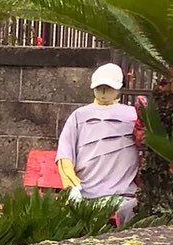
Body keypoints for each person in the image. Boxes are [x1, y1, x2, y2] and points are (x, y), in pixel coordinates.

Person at [55, 61, 141, 224]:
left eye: (108, 87)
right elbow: (64, 155)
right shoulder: (78, 116)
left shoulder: (133, 116)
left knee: (131, 209)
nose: (103, 92)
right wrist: (72, 186)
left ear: (119, 89)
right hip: (84, 194)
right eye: (99, 87)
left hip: (121, 196)